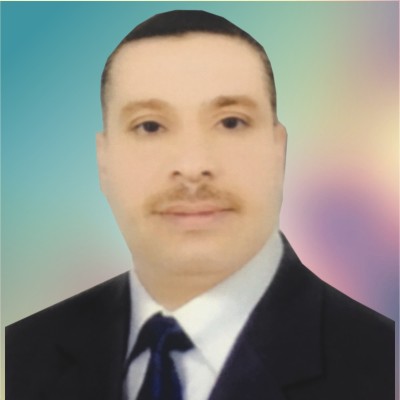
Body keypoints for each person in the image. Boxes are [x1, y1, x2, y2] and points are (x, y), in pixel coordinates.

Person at [6, 10, 394, 400]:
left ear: (279, 150)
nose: (192, 166)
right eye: (150, 126)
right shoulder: (18, 357)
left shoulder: (384, 366)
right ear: (103, 160)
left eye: (231, 122)